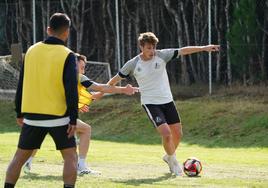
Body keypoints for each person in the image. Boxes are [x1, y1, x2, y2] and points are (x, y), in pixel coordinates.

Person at [105, 32, 220, 176]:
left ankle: (168, 156)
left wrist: (204, 48)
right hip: (150, 103)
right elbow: (113, 81)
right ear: (141, 47)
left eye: (153, 48)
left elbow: (183, 50)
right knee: (166, 134)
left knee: (178, 133)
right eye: (148, 48)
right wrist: (101, 92)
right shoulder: (133, 64)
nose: (152, 51)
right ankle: (173, 162)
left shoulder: (162, 55)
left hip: (167, 100)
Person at [22, 53, 138, 176]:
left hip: (42, 113)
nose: (83, 70)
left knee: (38, 136)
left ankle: (27, 162)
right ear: (73, 64)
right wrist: (123, 90)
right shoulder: (78, 77)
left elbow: (80, 95)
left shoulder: (56, 75)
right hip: (59, 116)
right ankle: (81, 166)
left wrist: (85, 100)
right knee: (86, 130)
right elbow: (100, 88)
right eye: (81, 67)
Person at [4, 13, 78, 188]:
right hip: (59, 117)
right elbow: (71, 89)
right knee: (70, 157)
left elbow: (21, 83)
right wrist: (73, 118)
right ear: (66, 32)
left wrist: (19, 111)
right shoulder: (68, 54)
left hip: (32, 117)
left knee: (19, 158)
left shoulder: (31, 50)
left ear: (48, 29)